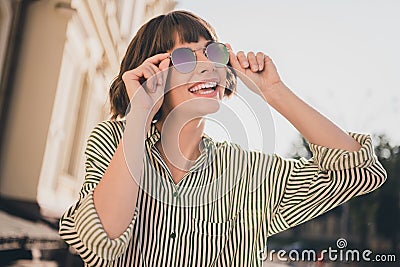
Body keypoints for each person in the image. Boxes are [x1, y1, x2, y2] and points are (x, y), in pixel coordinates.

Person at [59, 10, 386, 266]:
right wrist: (140, 114)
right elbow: (97, 243)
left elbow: (358, 173)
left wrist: (274, 92)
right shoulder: (113, 139)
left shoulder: (246, 171)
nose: (206, 66)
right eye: (186, 57)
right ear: (150, 72)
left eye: (212, 53)